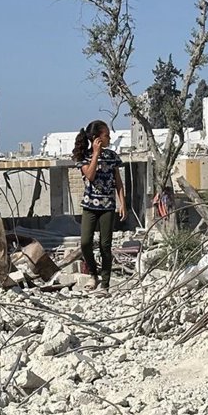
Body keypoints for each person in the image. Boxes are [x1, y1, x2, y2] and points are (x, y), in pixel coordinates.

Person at [72, 120, 126, 291]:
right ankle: (93, 274)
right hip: (90, 206)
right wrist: (95, 154)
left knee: (105, 245)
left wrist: (122, 203)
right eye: (106, 135)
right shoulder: (84, 157)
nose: (109, 138)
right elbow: (90, 175)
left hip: (107, 206)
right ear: (97, 138)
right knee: (85, 243)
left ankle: (105, 284)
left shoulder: (112, 156)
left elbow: (118, 182)